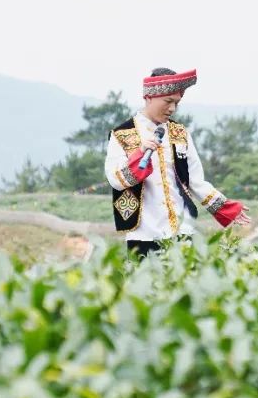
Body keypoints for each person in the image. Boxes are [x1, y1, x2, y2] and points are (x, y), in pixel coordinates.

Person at [104, 67, 250, 257]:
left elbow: (196, 181)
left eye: (177, 103)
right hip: (144, 234)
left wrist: (224, 206)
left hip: (183, 233)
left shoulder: (180, 133)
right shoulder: (122, 135)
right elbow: (116, 180)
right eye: (168, 101)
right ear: (148, 97)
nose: (172, 108)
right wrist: (139, 154)